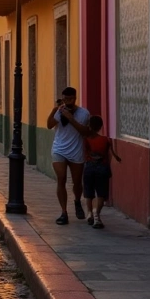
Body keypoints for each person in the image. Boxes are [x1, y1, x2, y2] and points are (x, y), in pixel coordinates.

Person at [47, 86, 92, 225]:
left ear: (75, 98)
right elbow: (49, 125)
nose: (68, 101)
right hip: (59, 149)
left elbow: (85, 132)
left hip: (76, 151)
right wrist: (55, 110)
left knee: (77, 182)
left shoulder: (83, 113)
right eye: (65, 99)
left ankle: (77, 201)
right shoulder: (59, 111)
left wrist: (71, 119)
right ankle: (63, 212)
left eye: (70, 99)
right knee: (61, 178)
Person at [82, 115, 121, 229]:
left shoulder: (86, 140)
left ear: (89, 126)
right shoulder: (106, 140)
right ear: (101, 127)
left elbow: (84, 154)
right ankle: (96, 215)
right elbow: (113, 155)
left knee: (88, 193)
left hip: (89, 168)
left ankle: (89, 213)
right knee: (101, 194)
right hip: (102, 169)